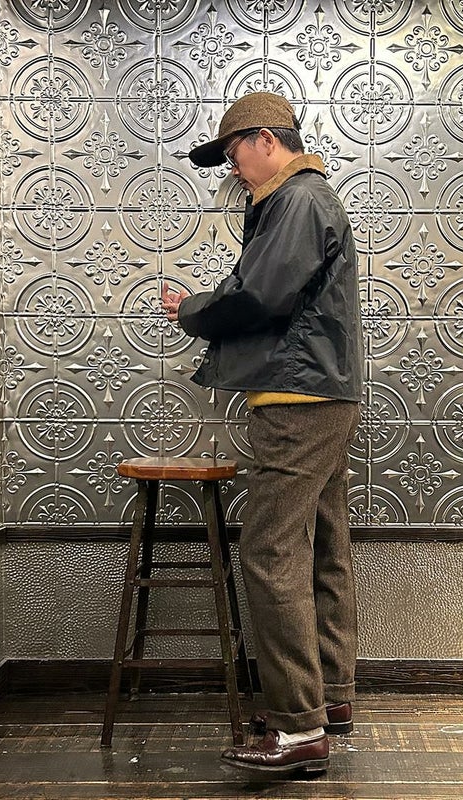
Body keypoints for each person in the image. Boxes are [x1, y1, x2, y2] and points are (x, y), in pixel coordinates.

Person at [161, 92, 363, 776]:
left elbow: (260, 296)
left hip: (296, 400)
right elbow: (271, 288)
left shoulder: (298, 201)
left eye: (233, 153)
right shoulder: (302, 201)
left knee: (270, 553)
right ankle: (329, 696)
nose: (232, 168)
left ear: (265, 141)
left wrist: (194, 310)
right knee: (322, 546)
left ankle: (300, 729)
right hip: (322, 393)